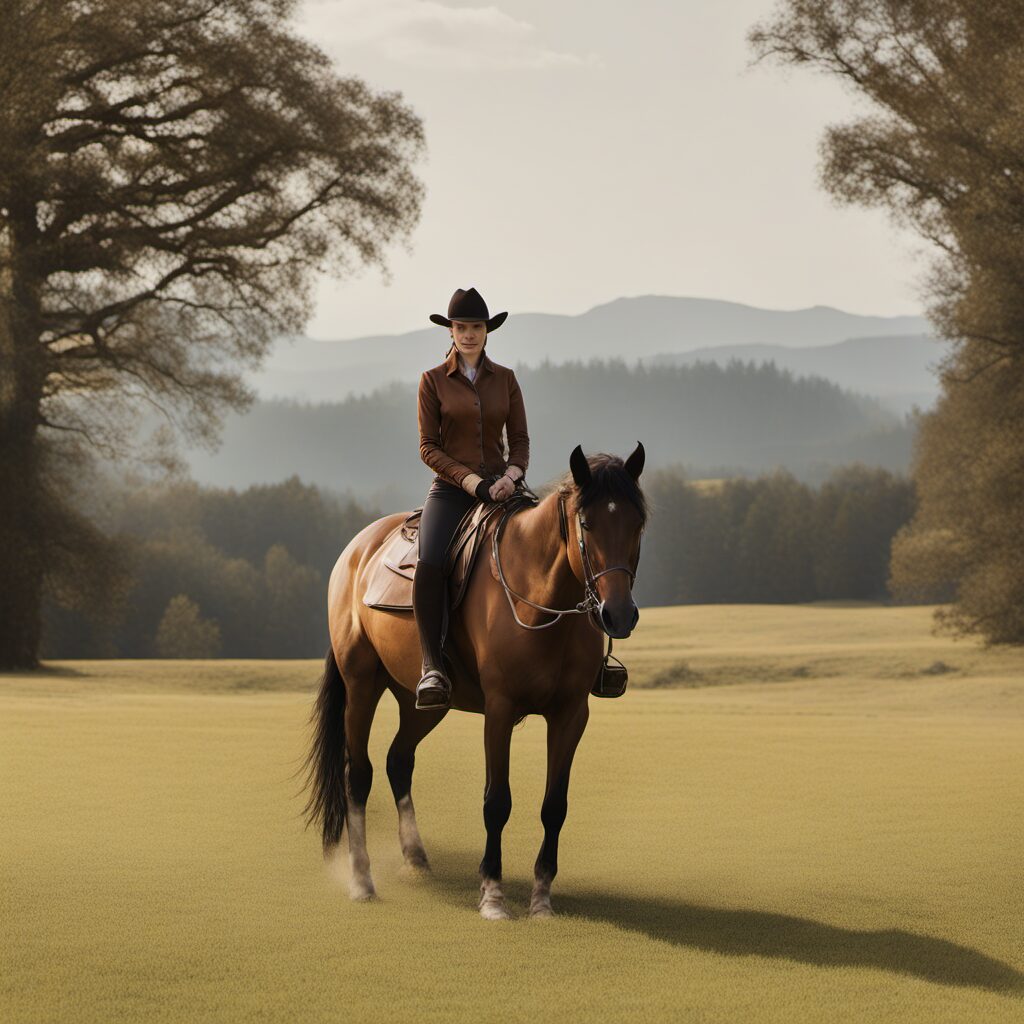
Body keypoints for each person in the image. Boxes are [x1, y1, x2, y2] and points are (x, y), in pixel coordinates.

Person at [413, 286, 530, 710]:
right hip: (451, 490)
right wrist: (472, 484)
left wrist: (512, 476)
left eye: (475, 327)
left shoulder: (507, 380)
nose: (468, 335)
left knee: (553, 542)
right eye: (461, 327)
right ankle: (431, 666)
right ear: (450, 332)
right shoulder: (431, 382)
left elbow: (519, 440)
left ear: (487, 332)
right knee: (431, 562)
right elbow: (429, 448)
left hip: (503, 487)